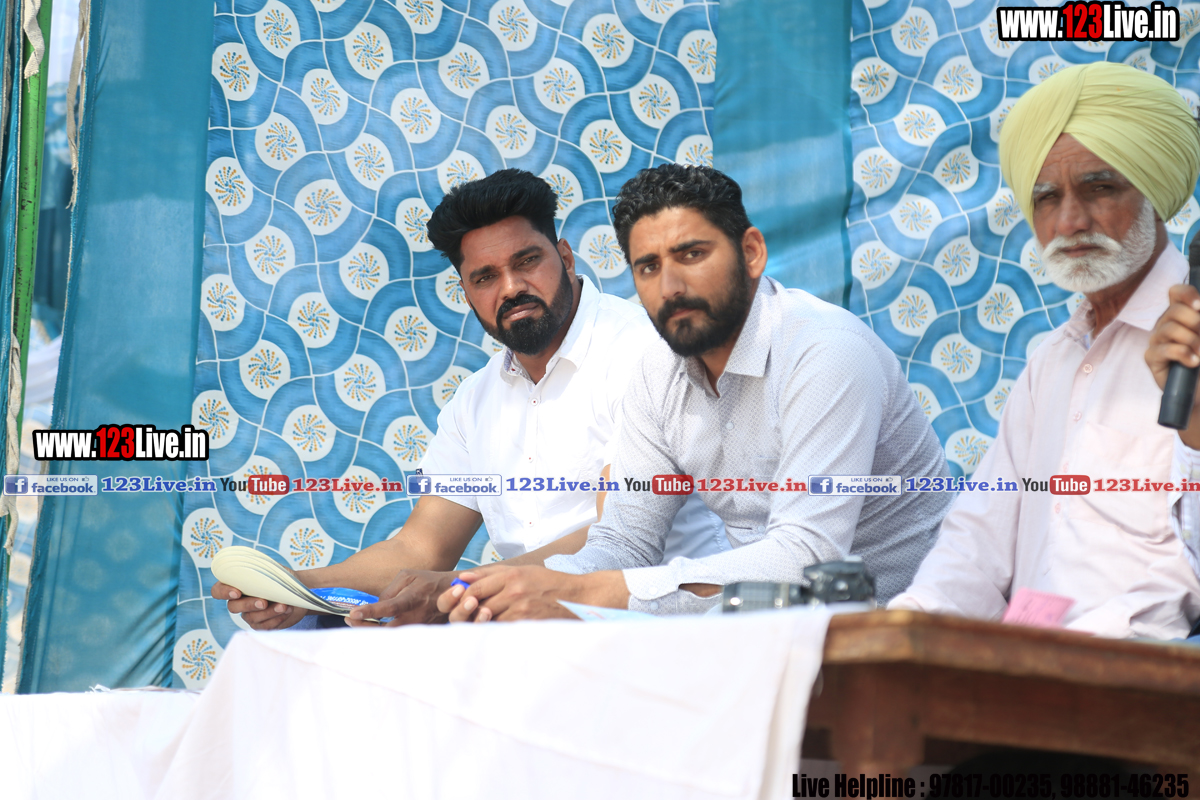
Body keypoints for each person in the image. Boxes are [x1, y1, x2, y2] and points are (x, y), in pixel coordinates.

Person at [431, 163, 954, 622]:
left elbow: (808, 557)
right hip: (769, 634)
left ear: (751, 253)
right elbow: (624, 541)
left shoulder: (825, 352)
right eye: (649, 267)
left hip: (912, 636)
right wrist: (499, 595)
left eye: (692, 254)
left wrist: (581, 593)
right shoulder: (657, 371)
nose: (671, 287)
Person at [212, 169, 727, 628]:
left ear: (566, 258)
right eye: (485, 277)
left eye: (527, 261)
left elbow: (619, 539)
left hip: (664, 631)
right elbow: (422, 546)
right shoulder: (474, 401)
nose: (512, 288)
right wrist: (299, 588)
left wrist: (461, 589)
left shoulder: (643, 353)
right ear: (466, 293)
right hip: (533, 637)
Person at [888, 62, 1200, 639]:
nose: (1070, 221)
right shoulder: (1051, 361)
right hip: (1028, 665)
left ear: (1155, 194)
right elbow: (977, 542)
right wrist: (911, 626)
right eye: (1047, 198)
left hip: (1147, 671)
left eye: (1100, 188)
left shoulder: (1193, 346)